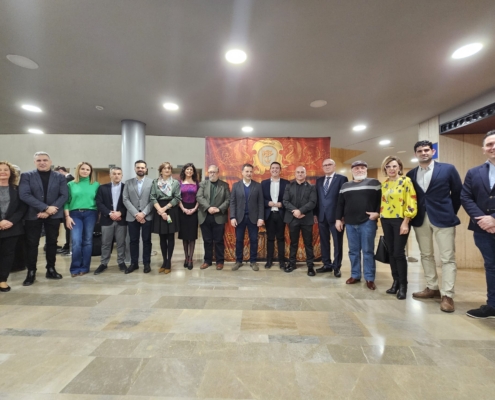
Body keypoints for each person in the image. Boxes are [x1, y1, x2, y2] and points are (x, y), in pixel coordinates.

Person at [406, 140, 462, 313]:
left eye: (426, 150)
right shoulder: (411, 174)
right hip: (421, 219)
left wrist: (450, 212)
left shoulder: (447, 169)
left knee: (447, 258)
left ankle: (447, 295)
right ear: (415, 154)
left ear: (432, 151)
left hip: (443, 218)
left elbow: (458, 192)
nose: (423, 153)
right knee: (426, 254)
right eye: (420, 151)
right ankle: (432, 287)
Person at [19, 151, 68, 286]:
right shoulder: (26, 176)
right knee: (32, 244)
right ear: (35, 162)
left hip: (53, 215)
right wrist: (45, 208)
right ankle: (31, 272)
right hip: (33, 215)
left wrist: (50, 210)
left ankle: (51, 269)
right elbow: (24, 195)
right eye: (39, 160)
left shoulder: (59, 177)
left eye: (45, 160)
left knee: (52, 243)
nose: (42, 162)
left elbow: (64, 195)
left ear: (50, 162)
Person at [461, 130, 495, 319]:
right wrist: (483, 220)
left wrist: (494, 219)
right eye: (489, 144)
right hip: (482, 229)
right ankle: (492, 305)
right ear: (483, 149)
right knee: (491, 266)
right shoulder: (474, 172)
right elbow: (466, 197)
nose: (493, 147)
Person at [336, 160, 381, 290]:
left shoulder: (375, 183)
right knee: (353, 251)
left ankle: (369, 278)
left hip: (367, 222)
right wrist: (338, 219)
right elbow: (340, 204)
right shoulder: (345, 186)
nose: (359, 170)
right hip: (350, 223)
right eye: (356, 168)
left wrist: (377, 213)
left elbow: (382, 201)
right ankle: (355, 275)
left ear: (366, 170)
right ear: (352, 171)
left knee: (367, 251)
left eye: (362, 168)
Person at [379, 156, 417, 300]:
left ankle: (403, 286)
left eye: (394, 166)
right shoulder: (385, 184)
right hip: (386, 220)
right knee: (391, 252)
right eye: (388, 167)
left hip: (400, 220)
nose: (391, 169)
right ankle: (395, 282)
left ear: (399, 168)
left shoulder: (406, 182)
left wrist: (406, 221)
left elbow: (411, 202)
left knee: (399, 253)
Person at [64, 162, 100, 276]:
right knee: (76, 241)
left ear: (91, 172)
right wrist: (67, 217)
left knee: (88, 241)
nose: (85, 171)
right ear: (78, 170)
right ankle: (75, 268)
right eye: (83, 169)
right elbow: (66, 202)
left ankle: (85, 267)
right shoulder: (70, 184)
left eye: (87, 169)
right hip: (74, 214)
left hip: (91, 213)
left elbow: (99, 201)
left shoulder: (95, 184)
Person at [314, 158, 348, 277]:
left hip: (336, 218)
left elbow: (344, 199)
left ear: (334, 166)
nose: (327, 167)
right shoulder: (319, 181)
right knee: (324, 242)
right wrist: (315, 214)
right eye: (325, 165)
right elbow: (317, 199)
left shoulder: (342, 179)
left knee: (337, 243)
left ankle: (337, 266)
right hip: (322, 216)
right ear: (322, 168)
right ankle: (327, 264)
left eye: (329, 164)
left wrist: (342, 216)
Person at [283, 166, 317, 276]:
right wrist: (295, 211)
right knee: (293, 243)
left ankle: (310, 266)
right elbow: (285, 201)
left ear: (305, 174)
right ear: (295, 174)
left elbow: (313, 202)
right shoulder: (289, 186)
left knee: (308, 243)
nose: (300, 174)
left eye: (302, 172)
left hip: (306, 218)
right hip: (293, 218)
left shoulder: (312, 187)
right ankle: (292, 264)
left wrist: (301, 211)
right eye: (298, 172)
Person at [230, 163, 264, 271]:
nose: (249, 173)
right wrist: (232, 217)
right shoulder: (236, 186)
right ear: (242, 172)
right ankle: (238, 261)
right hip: (239, 218)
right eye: (247, 171)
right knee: (239, 240)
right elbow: (233, 202)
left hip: (253, 218)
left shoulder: (258, 186)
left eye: (251, 171)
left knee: (254, 240)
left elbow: (261, 203)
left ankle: (253, 261)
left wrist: (260, 218)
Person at [196, 165, 230, 270]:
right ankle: (207, 261)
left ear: (218, 173)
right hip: (205, 215)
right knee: (207, 240)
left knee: (219, 240)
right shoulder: (203, 184)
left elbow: (228, 200)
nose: (212, 174)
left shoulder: (224, 185)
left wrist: (219, 209)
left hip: (219, 216)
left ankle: (220, 261)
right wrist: (208, 207)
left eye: (214, 172)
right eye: (210, 172)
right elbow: (199, 197)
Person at [123, 160, 154, 274]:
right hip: (132, 216)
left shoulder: (152, 182)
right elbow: (125, 199)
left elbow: (153, 199)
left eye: (142, 167)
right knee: (133, 241)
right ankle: (134, 263)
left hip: (147, 216)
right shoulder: (128, 182)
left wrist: (144, 213)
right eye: (138, 167)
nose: (140, 169)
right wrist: (136, 213)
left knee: (147, 240)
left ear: (146, 169)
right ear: (135, 169)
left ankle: (147, 263)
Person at [0, 161, 27, 292]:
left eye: (6, 169)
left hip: (12, 228)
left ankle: (3, 280)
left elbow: (22, 209)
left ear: (11, 173)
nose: (3, 172)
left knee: (8, 255)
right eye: (0, 169)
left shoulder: (16, 189)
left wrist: (10, 221)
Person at [94, 167, 127, 274]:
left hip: (121, 220)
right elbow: (99, 202)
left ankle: (121, 262)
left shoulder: (126, 188)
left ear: (122, 175)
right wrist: (109, 213)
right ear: (110, 175)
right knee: (106, 243)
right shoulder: (102, 188)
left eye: (119, 173)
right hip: (107, 219)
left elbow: (128, 203)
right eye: (114, 173)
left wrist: (120, 213)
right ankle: (103, 263)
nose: (117, 175)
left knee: (121, 243)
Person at [150, 161, 181, 274]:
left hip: (171, 210)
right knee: (162, 237)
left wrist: (165, 209)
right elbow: (152, 197)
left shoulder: (175, 183)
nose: (167, 170)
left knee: (170, 237)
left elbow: (177, 197)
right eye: (164, 168)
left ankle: (168, 262)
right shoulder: (155, 182)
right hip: (158, 209)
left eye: (169, 168)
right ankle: (164, 261)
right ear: (161, 170)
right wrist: (160, 210)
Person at [261, 162, 289, 269]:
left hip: (281, 214)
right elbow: (260, 199)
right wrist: (267, 203)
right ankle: (269, 261)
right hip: (269, 214)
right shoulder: (263, 183)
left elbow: (289, 199)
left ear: (280, 170)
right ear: (270, 170)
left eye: (277, 168)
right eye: (273, 168)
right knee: (270, 238)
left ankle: (282, 262)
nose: (275, 170)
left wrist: (282, 204)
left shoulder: (286, 183)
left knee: (281, 238)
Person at [178, 163, 199, 270]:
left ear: (193, 171)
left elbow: (199, 198)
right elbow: (177, 197)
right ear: (184, 171)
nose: (189, 171)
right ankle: (186, 257)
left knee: (192, 236)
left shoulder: (197, 183)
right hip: (183, 210)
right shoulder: (179, 182)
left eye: (191, 169)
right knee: (185, 236)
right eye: (187, 169)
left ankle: (191, 258)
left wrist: (195, 209)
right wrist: (183, 209)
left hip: (194, 210)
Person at [54, 166, 74, 255]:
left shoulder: (69, 180)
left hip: (68, 208)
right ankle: (67, 246)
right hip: (64, 208)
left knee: (69, 228)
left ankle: (68, 247)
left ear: (61, 171)